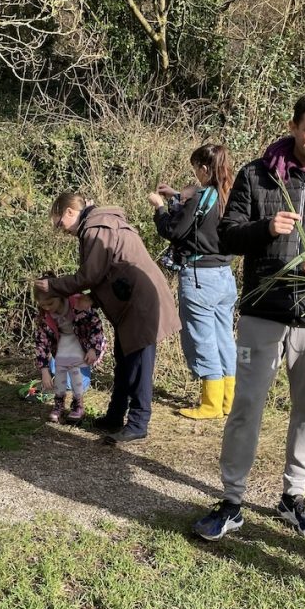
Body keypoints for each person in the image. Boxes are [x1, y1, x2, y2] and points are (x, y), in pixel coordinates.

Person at [192, 89, 305, 541]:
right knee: (245, 408)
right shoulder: (258, 176)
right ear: (294, 126)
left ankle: (294, 496)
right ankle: (232, 500)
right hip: (263, 313)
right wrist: (264, 229)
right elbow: (228, 237)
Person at [34, 193, 181, 443]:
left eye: (60, 223)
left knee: (139, 366)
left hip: (141, 303)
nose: (62, 230)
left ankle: (138, 422)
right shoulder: (99, 225)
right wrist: (94, 299)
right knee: (124, 362)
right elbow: (109, 272)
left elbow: (89, 276)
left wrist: (52, 286)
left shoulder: (96, 229)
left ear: (70, 212)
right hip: (130, 301)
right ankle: (114, 416)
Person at [150, 143, 237, 419]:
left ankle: (210, 403)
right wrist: (178, 195)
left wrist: (160, 208)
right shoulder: (229, 195)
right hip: (225, 276)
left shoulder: (202, 198)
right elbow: (203, 218)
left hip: (200, 278)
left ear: (203, 168)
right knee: (224, 336)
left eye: (196, 169)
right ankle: (229, 400)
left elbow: (174, 230)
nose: (195, 175)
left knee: (202, 338)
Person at [33, 287, 106, 423]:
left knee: (76, 374)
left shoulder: (79, 303)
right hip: (62, 345)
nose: (48, 308)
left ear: (60, 296)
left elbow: (95, 327)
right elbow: (41, 343)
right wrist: (44, 371)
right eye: (43, 305)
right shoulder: (45, 316)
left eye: (50, 303)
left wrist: (93, 349)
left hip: (82, 344)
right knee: (60, 374)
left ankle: (78, 405)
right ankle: (58, 405)